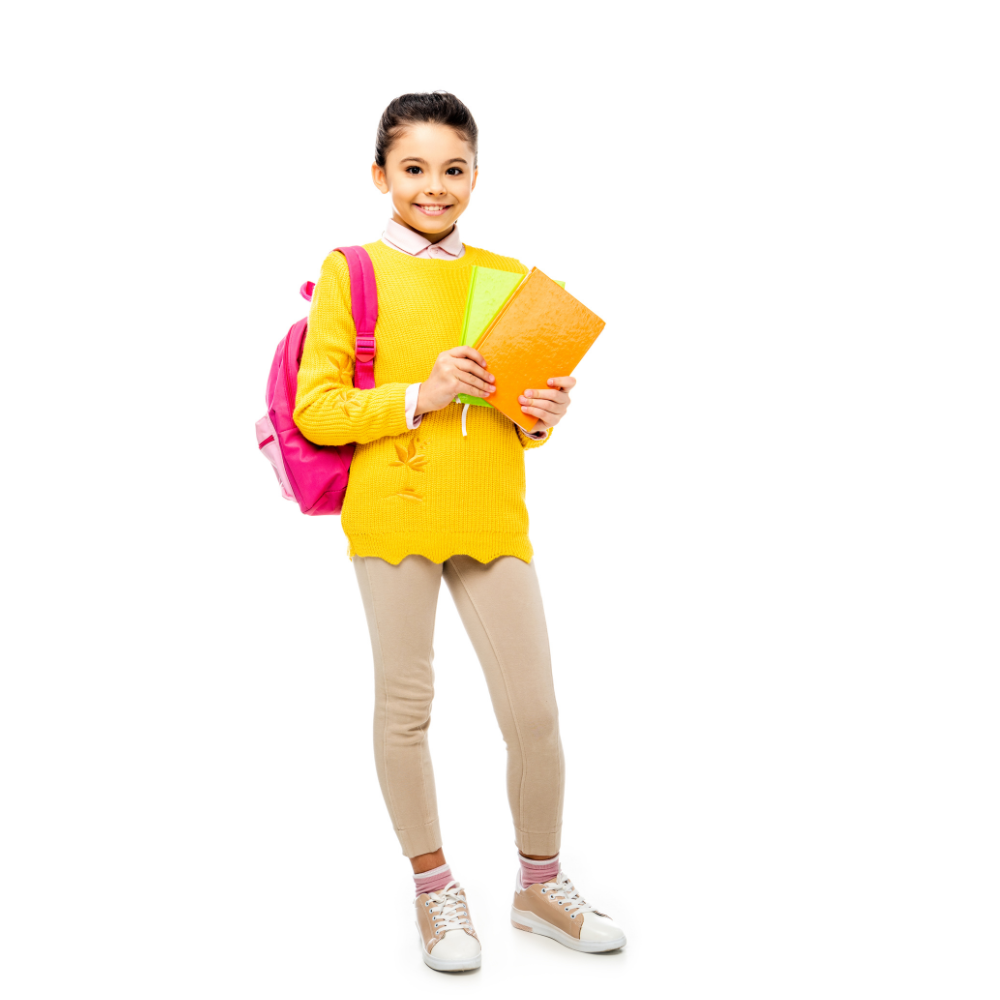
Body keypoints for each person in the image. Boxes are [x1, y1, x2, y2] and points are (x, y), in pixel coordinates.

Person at [293, 91, 626, 973]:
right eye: (414, 168)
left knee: (535, 714)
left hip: (490, 512)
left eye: (452, 169)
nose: (433, 187)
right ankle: (436, 891)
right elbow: (317, 410)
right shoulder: (351, 271)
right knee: (407, 709)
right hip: (392, 512)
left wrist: (546, 411)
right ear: (381, 176)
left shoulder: (512, 276)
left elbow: (522, 416)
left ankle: (538, 885)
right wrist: (420, 394)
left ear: (475, 176)